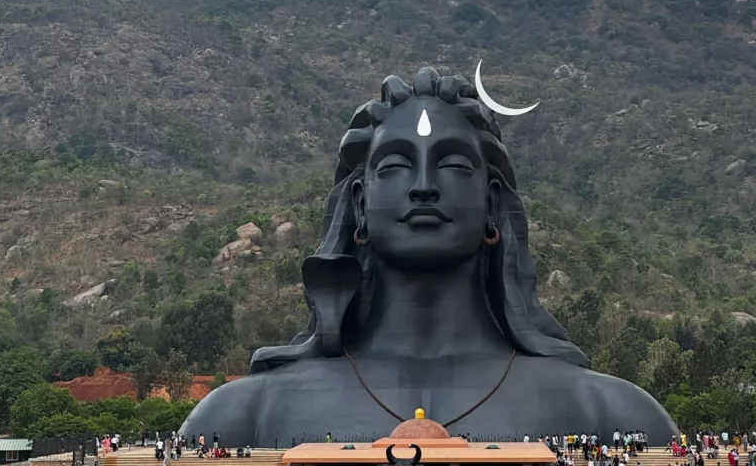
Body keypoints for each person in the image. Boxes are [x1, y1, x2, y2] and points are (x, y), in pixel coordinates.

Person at [179, 68, 677, 446]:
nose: (422, 187)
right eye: (395, 165)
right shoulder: (241, 418)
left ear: (490, 200)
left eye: (454, 164)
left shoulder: (611, 414)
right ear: (359, 203)